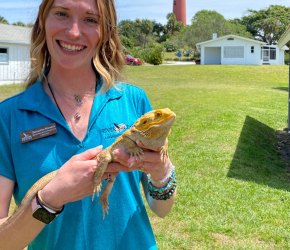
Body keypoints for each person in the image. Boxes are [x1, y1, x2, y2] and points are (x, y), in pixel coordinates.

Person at [0, 0, 176, 249]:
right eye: (62, 14)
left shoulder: (134, 101)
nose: (73, 32)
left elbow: (162, 209)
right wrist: (50, 198)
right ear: (43, 21)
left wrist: (161, 173)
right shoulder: (7, 117)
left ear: (105, 31)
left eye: (90, 20)